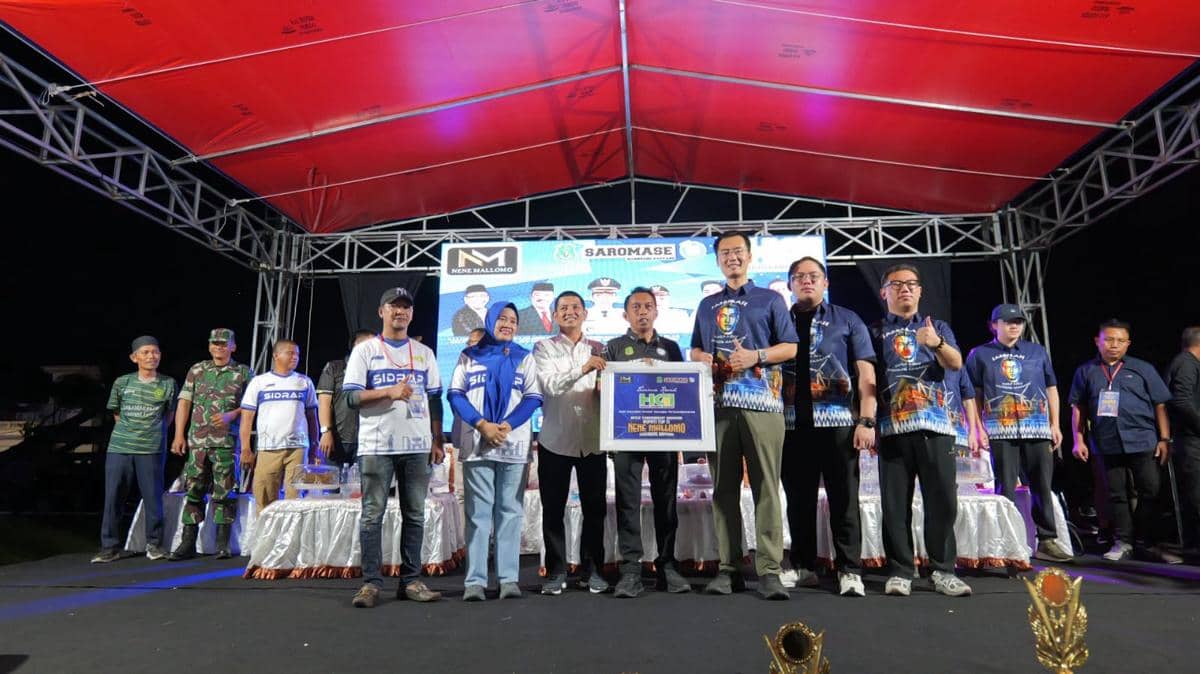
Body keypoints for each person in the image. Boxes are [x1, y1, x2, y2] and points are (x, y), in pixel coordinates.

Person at [690, 231, 798, 600]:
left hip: (764, 406)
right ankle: (728, 567)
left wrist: (756, 357)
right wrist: (701, 358)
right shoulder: (706, 305)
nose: (732, 257)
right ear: (717, 260)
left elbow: (791, 347)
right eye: (724, 253)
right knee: (723, 490)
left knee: (767, 486)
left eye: (738, 251)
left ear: (750, 257)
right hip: (718, 407)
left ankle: (768, 569)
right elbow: (695, 350)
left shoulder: (771, 299)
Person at [869, 263, 972, 597]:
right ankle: (900, 570)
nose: (905, 289)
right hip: (892, 427)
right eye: (897, 284)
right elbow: (867, 379)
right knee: (895, 504)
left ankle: (942, 570)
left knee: (942, 500)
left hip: (937, 425)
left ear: (920, 291)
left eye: (911, 284)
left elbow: (956, 363)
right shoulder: (875, 331)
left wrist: (936, 342)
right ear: (884, 292)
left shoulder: (937, 326)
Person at [779, 257, 876, 596]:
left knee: (844, 499)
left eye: (813, 276)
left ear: (825, 283)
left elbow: (866, 373)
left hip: (838, 424)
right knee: (798, 499)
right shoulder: (780, 320)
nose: (806, 281)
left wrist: (866, 419)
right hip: (791, 424)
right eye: (799, 277)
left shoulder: (847, 319)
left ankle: (849, 570)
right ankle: (804, 565)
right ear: (789, 284)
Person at [345, 287, 446, 608]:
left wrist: (437, 438)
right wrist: (388, 391)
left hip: (416, 445)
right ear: (381, 312)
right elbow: (350, 397)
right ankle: (371, 584)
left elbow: (434, 398)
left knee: (414, 514)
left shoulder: (424, 352)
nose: (400, 312)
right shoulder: (366, 351)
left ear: (412, 314)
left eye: (405, 307)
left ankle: (411, 580)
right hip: (377, 444)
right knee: (372, 516)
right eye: (393, 306)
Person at [448, 303, 543, 601]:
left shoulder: (524, 357)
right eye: (502, 318)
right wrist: (481, 425)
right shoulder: (469, 356)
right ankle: (474, 581)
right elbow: (455, 395)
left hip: (513, 444)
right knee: (477, 514)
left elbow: (532, 397)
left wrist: (505, 425)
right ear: (490, 321)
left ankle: (508, 579)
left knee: (510, 512)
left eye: (513, 321)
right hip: (478, 443)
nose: (507, 324)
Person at [965, 304, 1073, 563]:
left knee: (1042, 485)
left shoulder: (1037, 352)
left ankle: (1047, 540)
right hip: (1000, 430)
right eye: (1007, 321)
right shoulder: (979, 354)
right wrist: (977, 428)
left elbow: (1051, 388)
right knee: (1005, 487)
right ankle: (1006, 541)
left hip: (1036, 426)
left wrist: (1055, 424)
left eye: (1018, 322)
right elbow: (974, 394)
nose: (1014, 326)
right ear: (994, 325)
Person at [1069, 319, 1179, 563]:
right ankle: (1123, 541)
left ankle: (1147, 542)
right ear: (1097, 341)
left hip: (1143, 440)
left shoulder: (1143, 368)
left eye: (1120, 341)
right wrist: (1079, 440)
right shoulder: (1086, 371)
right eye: (1108, 339)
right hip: (1105, 442)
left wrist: (1164, 438)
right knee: (1115, 494)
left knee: (1150, 490)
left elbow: (1160, 404)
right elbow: (1078, 407)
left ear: (1128, 343)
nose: (1114, 345)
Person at [603, 287, 690, 597]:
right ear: (625, 314)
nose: (642, 311)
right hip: (627, 435)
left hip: (665, 434)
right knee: (628, 503)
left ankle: (667, 566)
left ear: (656, 311)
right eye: (636, 307)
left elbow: (685, 391)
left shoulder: (671, 347)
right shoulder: (612, 348)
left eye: (648, 306)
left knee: (667, 500)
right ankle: (630, 570)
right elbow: (604, 392)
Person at [532, 290, 610, 595]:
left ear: (585, 313)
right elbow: (550, 385)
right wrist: (584, 368)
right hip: (555, 440)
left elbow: (609, 389)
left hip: (593, 440)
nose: (570, 312)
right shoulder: (543, 348)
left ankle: (594, 571)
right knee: (553, 510)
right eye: (563, 308)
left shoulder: (601, 348)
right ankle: (555, 571)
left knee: (595, 509)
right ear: (554, 316)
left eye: (575, 307)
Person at [168, 328, 253, 561]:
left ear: (233, 347)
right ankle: (187, 542)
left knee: (224, 492)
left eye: (224, 344)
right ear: (209, 346)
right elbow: (184, 402)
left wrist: (232, 415)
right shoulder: (197, 370)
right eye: (215, 344)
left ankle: (222, 543)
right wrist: (179, 435)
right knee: (193, 489)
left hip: (226, 442)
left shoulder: (243, 372)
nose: (219, 347)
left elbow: (251, 406)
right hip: (197, 441)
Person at [92, 336, 177, 563]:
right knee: (113, 497)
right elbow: (116, 412)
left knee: (152, 498)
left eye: (155, 352)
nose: (151, 356)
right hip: (120, 447)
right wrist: (130, 431)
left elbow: (169, 415)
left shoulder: (168, 383)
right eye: (146, 352)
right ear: (134, 357)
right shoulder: (122, 382)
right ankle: (109, 547)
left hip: (151, 448)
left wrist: (152, 432)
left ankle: (155, 545)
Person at [239, 339, 320, 513]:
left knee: (296, 500)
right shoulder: (259, 382)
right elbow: (247, 418)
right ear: (276, 355)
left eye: (297, 354)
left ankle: (291, 539)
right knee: (265, 499)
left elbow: (312, 417)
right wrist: (246, 448)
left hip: (297, 448)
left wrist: (314, 445)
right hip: (269, 448)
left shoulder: (304, 382)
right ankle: (266, 538)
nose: (295, 357)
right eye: (290, 353)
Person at [317, 330, 376, 468]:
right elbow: (324, 403)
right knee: (332, 487)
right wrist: (326, 432)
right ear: (354, 346)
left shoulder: (377, 371)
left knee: (361, 488)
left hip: (368, 441)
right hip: (337, 440)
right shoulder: (334, 367)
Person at [1165, 326, 1200, 551]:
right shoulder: (1186, 363)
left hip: (1191, 439)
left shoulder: (1188, 363)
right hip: (1190, 441)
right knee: (1196, 494)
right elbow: (1181, 401)